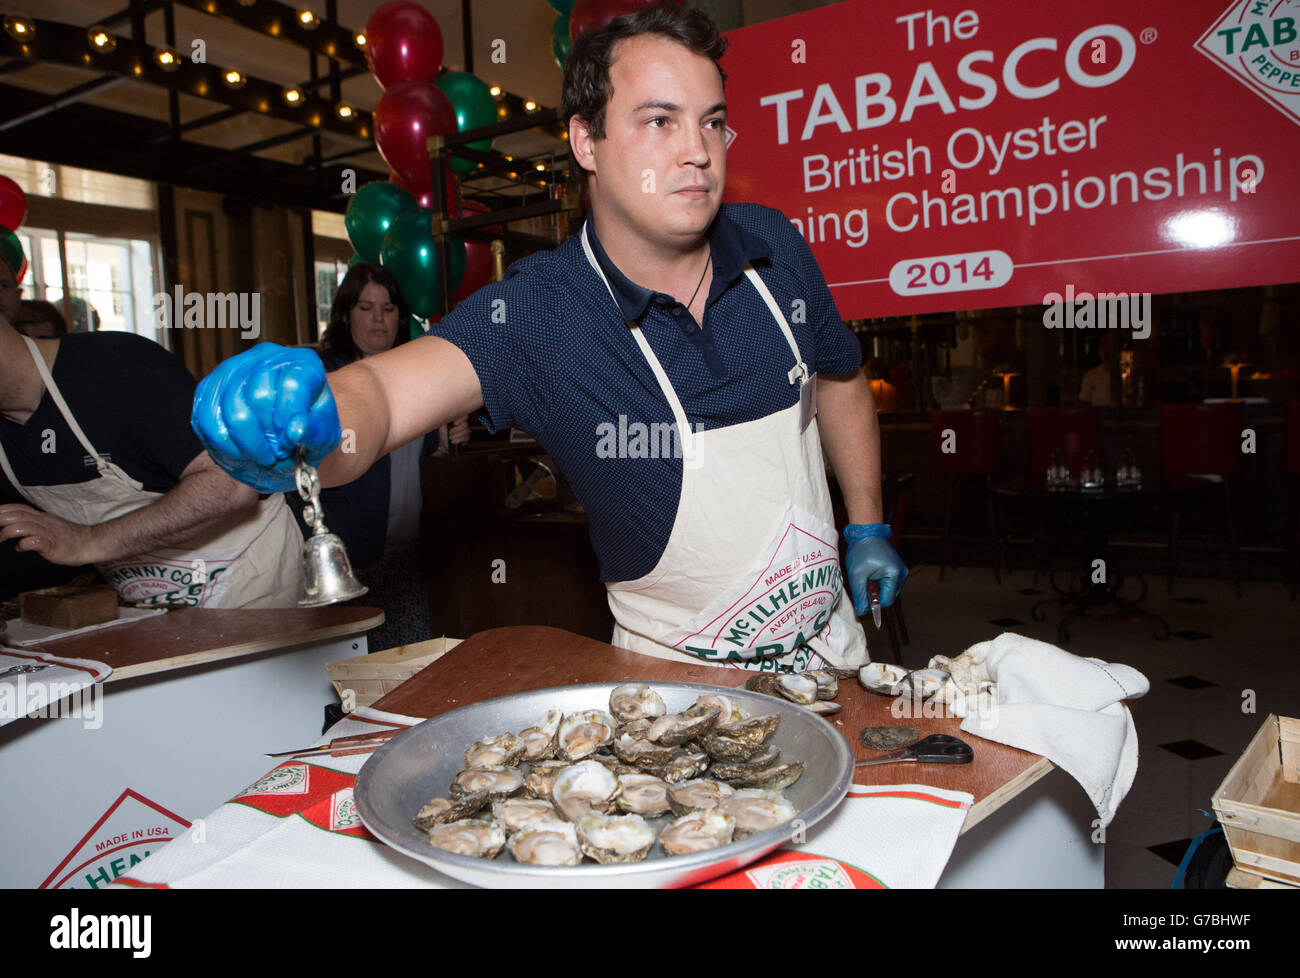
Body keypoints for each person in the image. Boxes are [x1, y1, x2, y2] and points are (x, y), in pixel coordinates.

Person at [191, 3, 907, 670]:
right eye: (659, 121)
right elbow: (378, 393)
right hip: (679, 699)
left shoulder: (776, 246)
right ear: (585, 140)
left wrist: (866, 526)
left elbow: (840, 379)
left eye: (711, 121)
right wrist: (304, 416)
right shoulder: (541, 314)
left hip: (832, 658)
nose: (697, 151)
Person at [0, 246, 304, 609]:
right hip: (144, 606)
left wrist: (87, 542)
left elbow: (231, 486)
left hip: (249, 585)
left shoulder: (116, 368)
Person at [307, 263, 469, 649]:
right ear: (346, 315)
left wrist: (449, 438)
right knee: (344, 686)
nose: (379, 319)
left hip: (406, 564)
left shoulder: (417, 376)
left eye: (389, 307)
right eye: (365, 308)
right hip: (345, 567)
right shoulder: (322, 380)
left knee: (408, 679)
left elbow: (426, 456)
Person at [1079, 334, 1114, 406]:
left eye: (1110, 345)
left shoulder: (1126, 374)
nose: (1106, 349)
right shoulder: (1091, 376)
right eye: (1103, 345)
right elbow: (1084, 404)